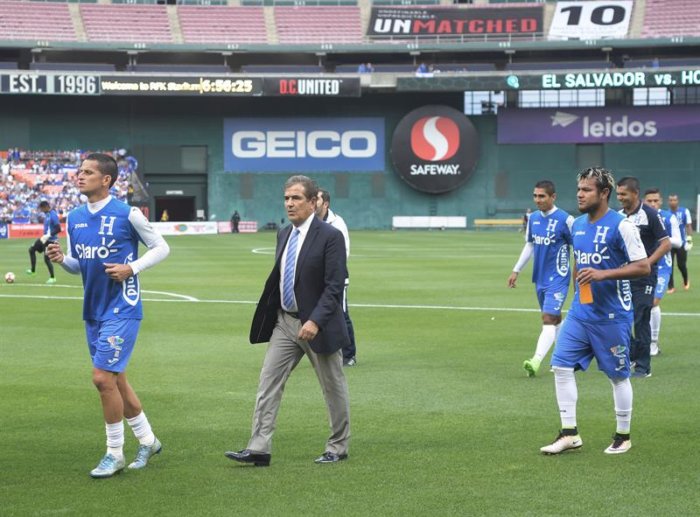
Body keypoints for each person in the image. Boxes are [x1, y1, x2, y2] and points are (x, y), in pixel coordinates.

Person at [46, 153, 170, 478]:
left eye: (87, 172)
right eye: (79, 171)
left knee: (102, 378)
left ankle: (114, 453)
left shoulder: (127, 214)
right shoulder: (74, 217)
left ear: (106, 180)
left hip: (123, 308)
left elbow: (161, 247)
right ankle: (148, 440)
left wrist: (133, 267)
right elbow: (79, 265)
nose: (79, 176)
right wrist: (62, 260)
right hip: (93, 310)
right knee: (116, 379)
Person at [225, 175, 351, 466]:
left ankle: (338, 446)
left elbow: (335, 285)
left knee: (333, 387)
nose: (290, 204)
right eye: (286, 198)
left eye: (296, 198)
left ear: (312, 201)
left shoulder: (330, 236)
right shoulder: (284, 233)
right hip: (285, 323)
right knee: (268, 382)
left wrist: (316, 321)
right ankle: (259, 448)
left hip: (316, 325)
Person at [540, 167, 649, 456]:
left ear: (604, 193)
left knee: (617, 376)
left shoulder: (622, 226)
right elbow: (580, 261)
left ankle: (622, 435)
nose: (579, 194)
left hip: (612, 315)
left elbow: (642, 266)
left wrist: (603, 275)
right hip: (580, 313)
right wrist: (579, 290)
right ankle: (569, 433)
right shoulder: (575, 225)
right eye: (579, 189)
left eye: (587, 189)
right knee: (560, 366)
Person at [508, 181, 573, 377]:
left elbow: (578, 247)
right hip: (540, 278)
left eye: (542, 196)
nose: (538, 200)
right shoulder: (534, 218)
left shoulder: (566, 220)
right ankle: (565, 357)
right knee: (556, 318)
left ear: (553, 197)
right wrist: (516, 270)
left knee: (547, 319)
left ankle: (536, 360)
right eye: (535, 196)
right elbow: (530, 245)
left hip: (559, 278)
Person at [616, 177, 670, 378]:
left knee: (641, 318)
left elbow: (665, 244)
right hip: (623, 276)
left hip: (645, 277)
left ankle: (643, 367)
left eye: (624, 194)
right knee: (620, 318)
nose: (620, 198)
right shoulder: (618, 217)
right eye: (618, 194)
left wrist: (648, 262)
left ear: (635, 194)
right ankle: (631, 355)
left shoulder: (650, 214)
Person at [316, 189, 357, 367]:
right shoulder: (309, 221)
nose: (312, 202)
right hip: (315, 278)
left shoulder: (337, 223)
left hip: (335, 278)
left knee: (341, 314)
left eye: (316, 199)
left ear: (325, 204)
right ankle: (320, 351)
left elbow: (342, 254)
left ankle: (349, 355)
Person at [643, 188, 682, 356]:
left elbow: (678, 242)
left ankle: (652, 343)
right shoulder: (638, 216)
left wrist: (659, 237)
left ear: (660, 201)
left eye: (655, 200)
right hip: (639, 266)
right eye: (649, 200)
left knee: (653, 302)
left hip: (662, 267)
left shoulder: (668, 217)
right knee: (636, 306)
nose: (652, 203)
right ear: (644, 201)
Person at [26, 200, 60, 284]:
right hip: (44, 239)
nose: (41, 210)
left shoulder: (53, 215)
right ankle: (33, 271)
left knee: (46, 259)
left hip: (51, 241)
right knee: (31, 250)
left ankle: (52, 278)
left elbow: (58, 229)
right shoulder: (47, 214)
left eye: (42, 209)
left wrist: (49, 235)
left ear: (46, 207)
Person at [667, 194, 693, 292]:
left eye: (674, 200)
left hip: (681, 243)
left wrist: (689, 239)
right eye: (670, 200)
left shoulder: (684, 211)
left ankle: (686, 281)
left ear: (678, 201)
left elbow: (688, 226)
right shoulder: (667, 214)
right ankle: (671, 287)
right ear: (668, 202)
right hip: (670, 243)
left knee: (681, 265)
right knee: (670, 265)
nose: (672, 202)